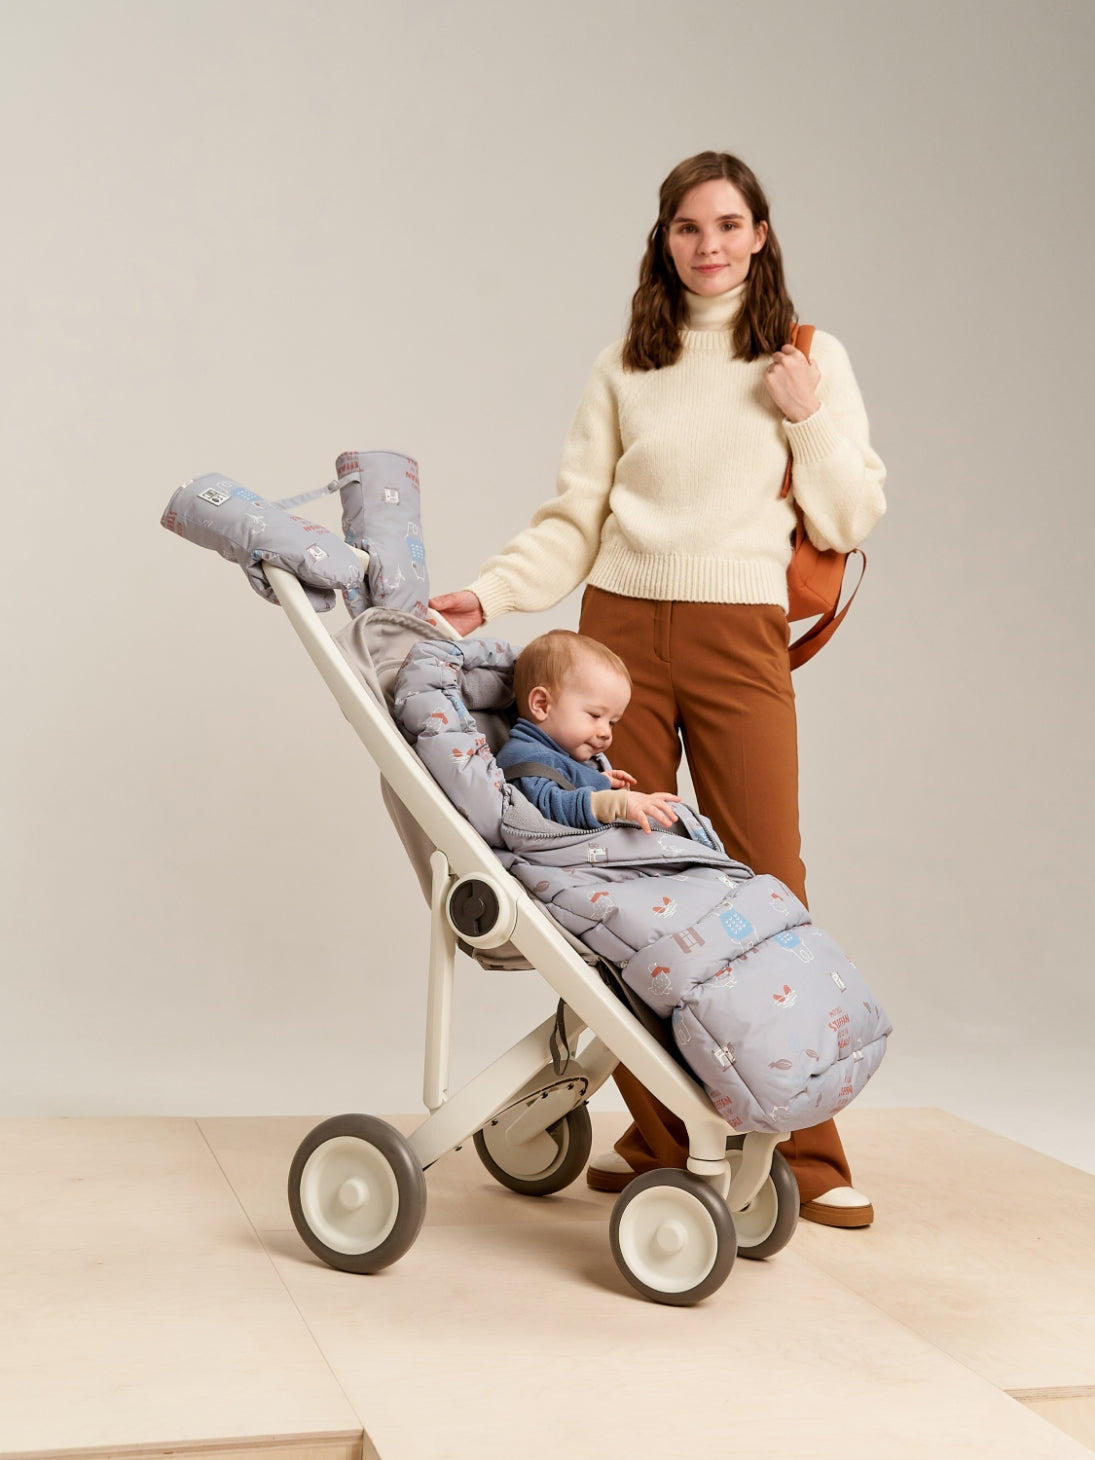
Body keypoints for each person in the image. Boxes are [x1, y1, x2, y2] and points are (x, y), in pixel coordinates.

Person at [430, 151, 886, 1228]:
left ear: (760, 233)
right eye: (689, 227)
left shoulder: (805, 356)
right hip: (617, 636)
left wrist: (807, 415)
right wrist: (489, 595)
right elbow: (572, 520)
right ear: (664, 239)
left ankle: (804, 1152)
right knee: (619, 882)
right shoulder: (623, 366)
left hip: (738, 637)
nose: (709, 244)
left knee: (767, 880)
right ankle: (661, 1136)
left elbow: (849, 515)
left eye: (728, 224)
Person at [497, 629, 682, 832]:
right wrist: (617, 804)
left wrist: (599, 780)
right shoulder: (527, 758)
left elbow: (562, 781)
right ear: (542, 705)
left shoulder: (553, 754)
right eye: (595, 715)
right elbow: (548, 808)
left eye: (612, 722)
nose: (606, 732)